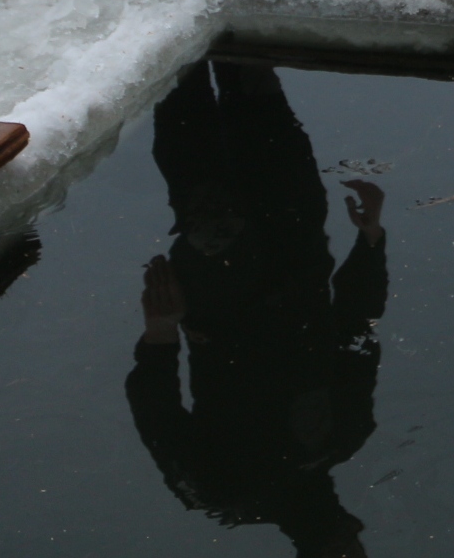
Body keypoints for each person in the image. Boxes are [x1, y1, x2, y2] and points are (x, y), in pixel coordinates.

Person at [130, 60, 385, 558]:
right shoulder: (346, 434)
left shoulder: (221, 492)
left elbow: (158, 417)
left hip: (221, 275)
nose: (356, 537)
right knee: (259, 99)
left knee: (193, 128)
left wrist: (160, 336)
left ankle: (179, 34)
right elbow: (359, 329)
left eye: (348, 554)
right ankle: (233, 27)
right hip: (295, 250)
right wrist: (369, 242)